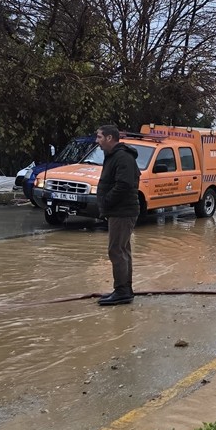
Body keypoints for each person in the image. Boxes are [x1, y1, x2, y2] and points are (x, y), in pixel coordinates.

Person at [94, 125, 141, 307]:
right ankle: (124, 290)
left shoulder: (122, 157)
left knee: (116, 250)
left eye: (99, 137)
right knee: (122, 249)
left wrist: (106, 201)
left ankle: (122, 292)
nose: (97, 141)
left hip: (122, 211)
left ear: (109, 138)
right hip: (119, 211)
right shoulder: (114, 156)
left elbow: (124, 185)